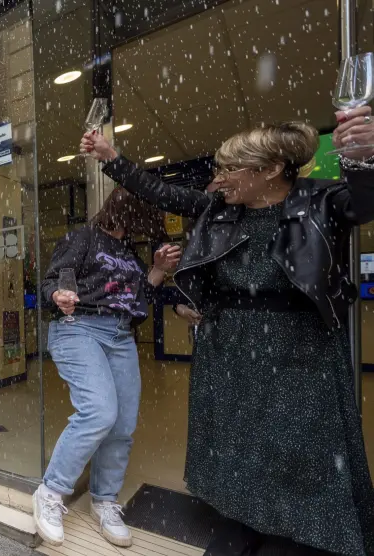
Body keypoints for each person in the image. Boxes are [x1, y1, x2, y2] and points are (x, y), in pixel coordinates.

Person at [80, 109, 374, 555]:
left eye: (231, 169)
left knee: (299, 451)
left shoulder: (321, 200)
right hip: (230, 347)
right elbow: (159, 192)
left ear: (271, 171)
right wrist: (111, 156)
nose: (219, 179)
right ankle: (243, 525)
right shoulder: (218, 209)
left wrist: (362, 157)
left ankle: (297, 534)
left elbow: (366, 203)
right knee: (237, 451)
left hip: (300, 349)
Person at [34, 188, 181, 548]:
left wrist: (159, 270)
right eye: (143, 218)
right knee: (99, 411)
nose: (146, 227)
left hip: (120, 335)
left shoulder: (128, 251)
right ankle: (51, 492)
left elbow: (135, 296)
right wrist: (58, 295)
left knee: (122, 424)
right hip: (79, 328)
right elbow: (51, 282)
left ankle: (104, 500)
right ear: (129, 212)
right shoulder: (82, 237)